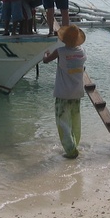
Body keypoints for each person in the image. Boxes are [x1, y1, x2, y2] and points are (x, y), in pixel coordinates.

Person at [42, 25, 87, 158]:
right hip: (77, 92)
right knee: (75, 119)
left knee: (62, 121)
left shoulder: (60, 51)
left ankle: (70, 150)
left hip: (63, 92)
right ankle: (75, 144)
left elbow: (45, 60)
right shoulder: (82, 51)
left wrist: (45, 54)